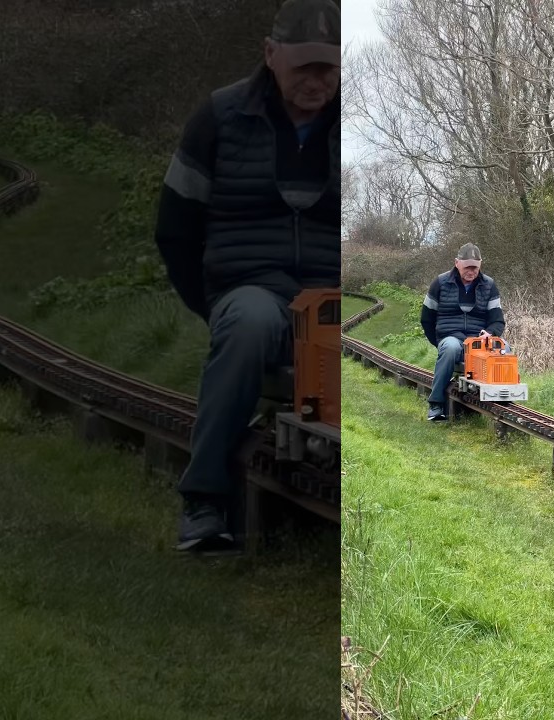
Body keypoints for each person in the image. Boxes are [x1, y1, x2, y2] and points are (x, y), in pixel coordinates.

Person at [153, 0, 341, 551]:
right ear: (270, 54)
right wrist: (215, 307)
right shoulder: (220, 117)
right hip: (250, 288)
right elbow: (175, 229)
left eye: (328, 67)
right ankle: (206, 503)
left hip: (330, 294)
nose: (316, 79)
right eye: (304, 65)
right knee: (247, 327)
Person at [419, 243, 505, 421]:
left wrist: (490, 333)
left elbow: (497, 320)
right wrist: (439, 342)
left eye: (475, 267)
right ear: (457, 263)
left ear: (480, 265)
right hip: (451, 337)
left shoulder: (489, 285)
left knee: (505, 349)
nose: (471, 271)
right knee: (450, 348)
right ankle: (436, 404)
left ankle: (501, 403)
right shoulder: (440, 283)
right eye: (467, 267)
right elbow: (427, 318)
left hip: (478, 341)